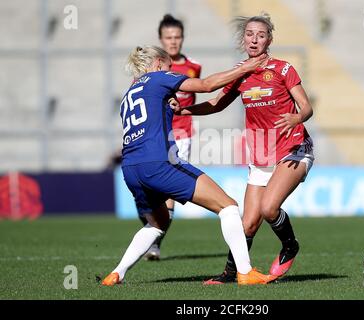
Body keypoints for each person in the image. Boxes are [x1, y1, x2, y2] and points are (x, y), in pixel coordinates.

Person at [101, 45, 277, 286]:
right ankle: (245, 272)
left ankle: (116, 274)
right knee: (228, 207)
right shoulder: (158, 77)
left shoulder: (129, 93)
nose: (171, 71)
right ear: (158, 63)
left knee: (158, 223)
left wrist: (171, 107)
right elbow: (205, 86)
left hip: (131, 169)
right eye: (169, 66)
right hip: (158, 163)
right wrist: (246, 67)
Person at [173, 12, 315, 284]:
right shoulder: (241, 73)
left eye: (261, 35)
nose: (254, 39)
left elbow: (306, 107)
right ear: (243, 39)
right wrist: (185, 108)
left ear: (269, 40)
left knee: (269, 208)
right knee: (247, 224)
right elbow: (216, 103)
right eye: (250, 34)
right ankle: (229, 273)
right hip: (262, 154)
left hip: (293, 148)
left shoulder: (284, 69)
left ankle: (290, 245)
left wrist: (297, 117)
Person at [141, 14, 203, 261]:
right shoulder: (152, 67)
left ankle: (154, 243)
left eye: (177, 37)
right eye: (168, 37)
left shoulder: (194, 67)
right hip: (154, 134)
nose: (173, 42)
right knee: (149, 189)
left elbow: (196, 95)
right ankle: (151, 230)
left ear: (183, 38)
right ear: (160, 39)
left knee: (168, 190)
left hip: (181, 134)